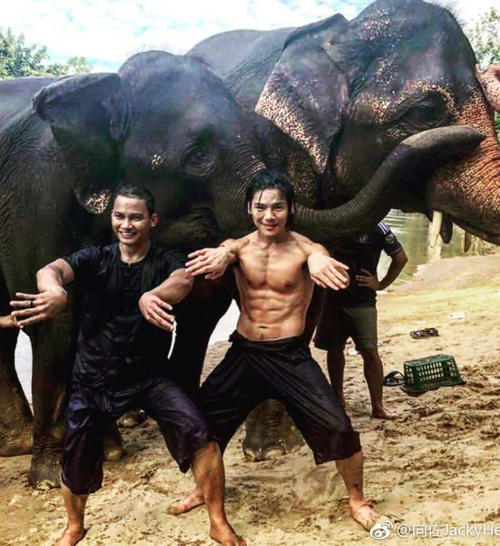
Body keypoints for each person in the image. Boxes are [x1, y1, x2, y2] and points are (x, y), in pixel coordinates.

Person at [10, 186, 245, 546]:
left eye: (135, 217)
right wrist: (54, 291)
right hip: (93, 378)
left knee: (200, 435)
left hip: (149, 377)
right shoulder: (95, 258)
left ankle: (218, 522)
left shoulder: (166, 259)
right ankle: (74, 527)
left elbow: (182, 280)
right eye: (120, 216)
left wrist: (154, 295)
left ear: (152, 220)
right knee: (75, 459)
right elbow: (52, 269)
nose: (126, 224)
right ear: (112, 218)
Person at [180, 171, 380, 531]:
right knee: (200, 424)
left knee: (338, 426)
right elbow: (226, 251)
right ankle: (202, 489)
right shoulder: (238, 247)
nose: (269, 215)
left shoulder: (306, 249)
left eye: (278, 207)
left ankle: (357, 500)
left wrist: (319, 262)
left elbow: (317, 256)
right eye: (261, 207)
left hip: (289, 355)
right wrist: (221, 256)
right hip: (245, 352)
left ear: (291, 210)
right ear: (249, 209)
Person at [314, 223, 408, 420]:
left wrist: (380, 284)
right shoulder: (334, 222)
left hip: (362, 301)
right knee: (335, 349)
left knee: (369, 351)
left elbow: (400, 258)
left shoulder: (379, 228)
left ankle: (378, 407)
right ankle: (339, 400)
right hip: (332, 298)